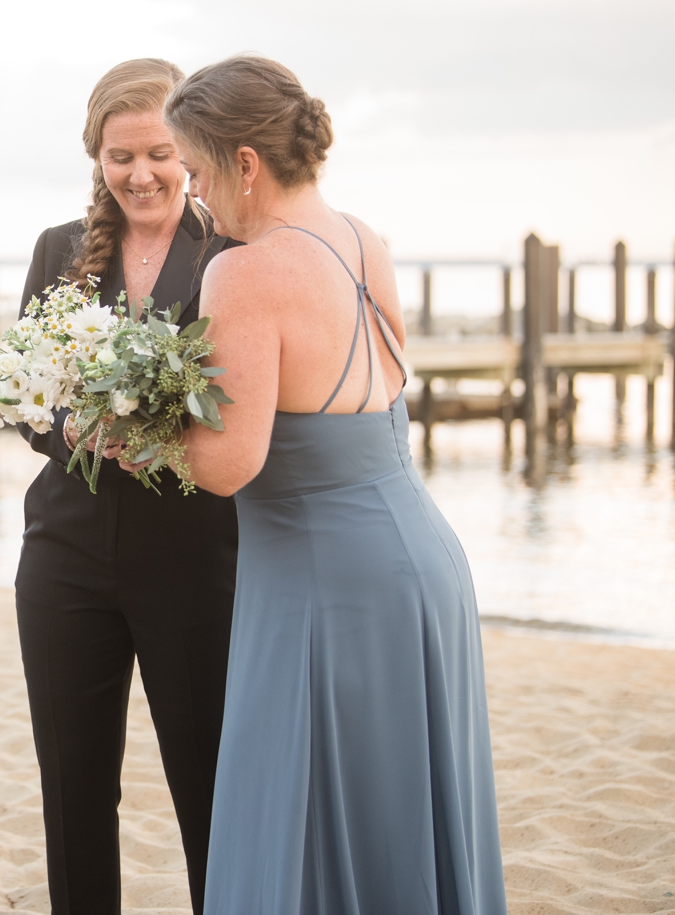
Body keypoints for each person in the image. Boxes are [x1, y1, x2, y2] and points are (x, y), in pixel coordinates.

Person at [163, 55, 506, 914]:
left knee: (308, 811)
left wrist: (143, 438)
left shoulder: (241, 272)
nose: (196, 198)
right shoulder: (362, 239)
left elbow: (229, 461)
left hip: (325, 588)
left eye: (198, 173)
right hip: (423, 565)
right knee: (402, 813)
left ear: (245, 163)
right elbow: (380, 386)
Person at [13, 58, 240, 915]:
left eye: (158, 153)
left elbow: (249, 410)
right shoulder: (57, 252)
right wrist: (64, 428)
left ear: (191, 152)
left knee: (206, 784)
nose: (140, 173)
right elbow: (22, 393)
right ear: (96, 158)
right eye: (120, 156)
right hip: (66, 554)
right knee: (72, 787)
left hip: (196, 558)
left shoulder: (232, 254)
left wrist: (168, 438)